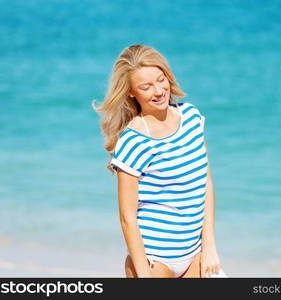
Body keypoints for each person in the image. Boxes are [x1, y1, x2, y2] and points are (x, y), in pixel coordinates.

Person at [93, 44, 226, 278]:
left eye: (160, 79)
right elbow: (127, 217)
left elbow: (205, 184)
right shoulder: (134, 141)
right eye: (146, 86)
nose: (158, 91)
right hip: (154, 260)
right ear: (131, 92)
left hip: (195, 254)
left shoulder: (192, 117)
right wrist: (144, 274)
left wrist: (210, 248)